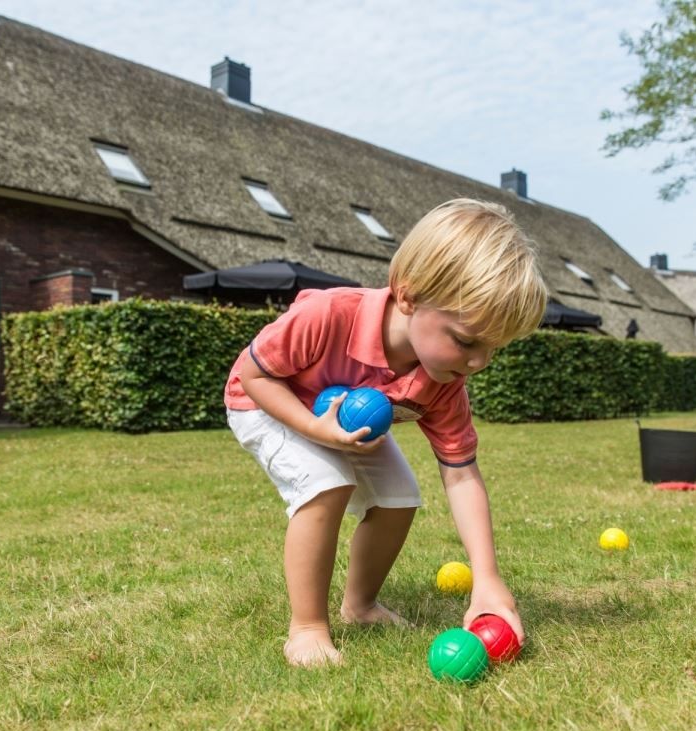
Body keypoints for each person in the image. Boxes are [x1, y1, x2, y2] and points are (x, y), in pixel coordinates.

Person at [224, 198, 549, 667]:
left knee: (400, 496)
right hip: (266, 402)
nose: (478, 363)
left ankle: (360, 605)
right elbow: (254, 375)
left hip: (342, 424)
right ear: (409, 296)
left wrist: (487, 577)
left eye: (493, 349)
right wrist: (315, 428)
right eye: (466, 341)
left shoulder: (442, 383)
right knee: (326, 484)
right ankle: (308, 628)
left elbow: (461, 475)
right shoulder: (330, 316)